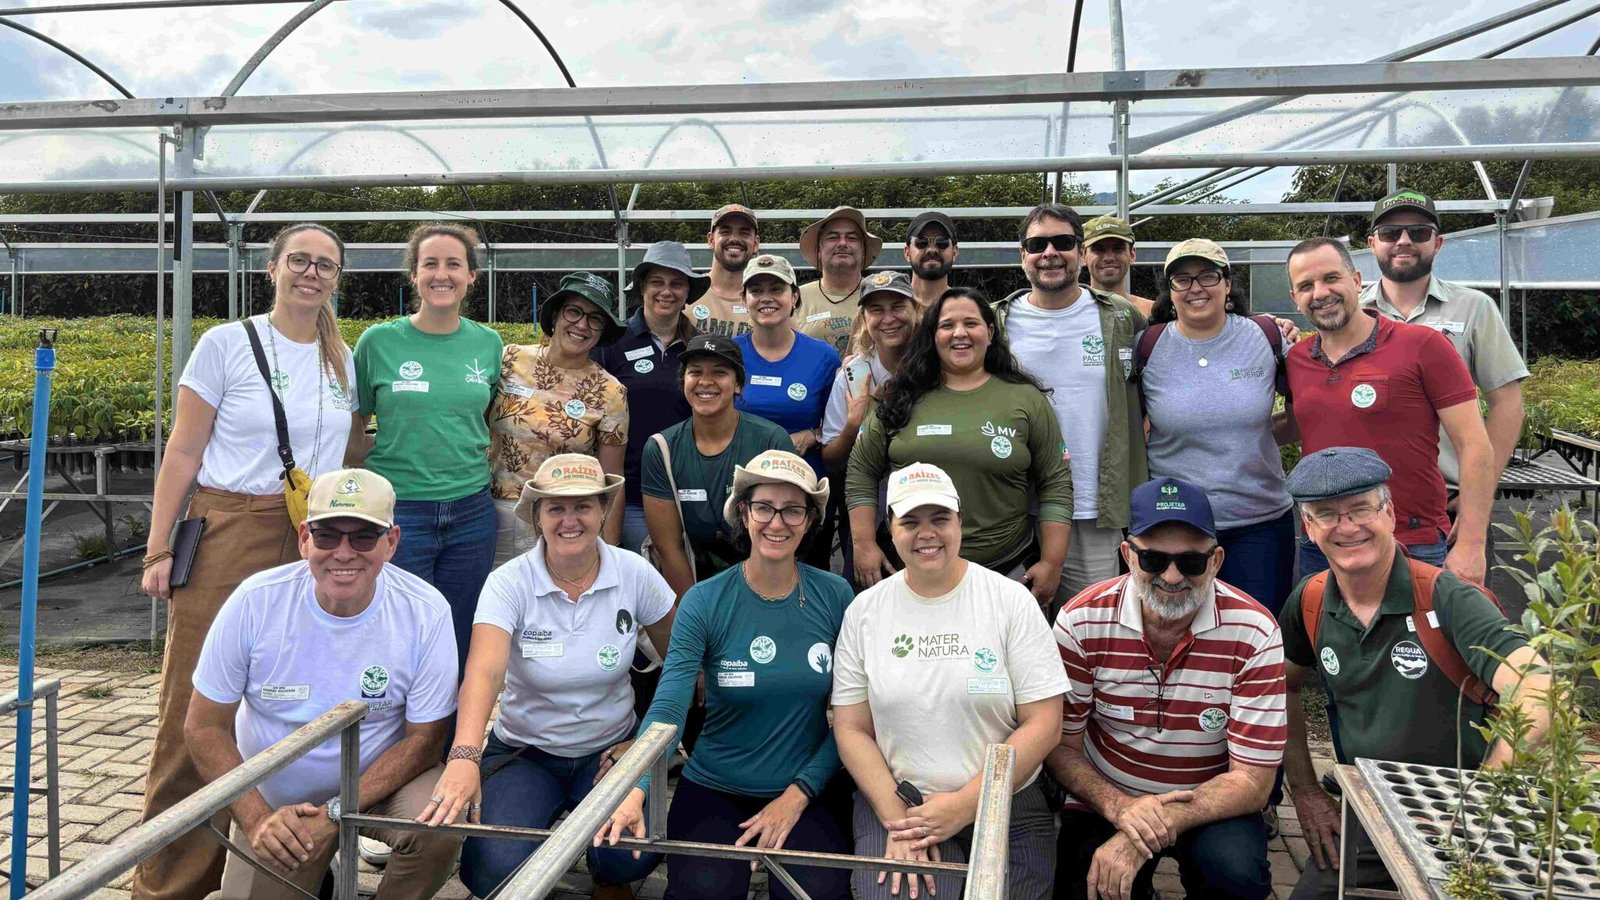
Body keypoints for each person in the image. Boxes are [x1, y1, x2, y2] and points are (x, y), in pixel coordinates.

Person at [134, 222, 360, 900]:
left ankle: (277, 866)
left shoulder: (339, 358)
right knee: (197, 711)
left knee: (297, 698)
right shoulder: (227, 345)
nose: (311, 273)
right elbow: (182, 448)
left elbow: (345, 455)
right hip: (230, 523)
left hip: (313, 537)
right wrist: (159, 544)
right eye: (300, 260)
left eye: (325, 265)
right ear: (272, 269)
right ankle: (168, 884)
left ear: (337, 278)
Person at [1277, 448, 1550, 900]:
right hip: (1370, 814)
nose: (1346, 527)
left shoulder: (1446, 598)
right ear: (1308, 528)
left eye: (1360, 508)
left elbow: (1537, 690)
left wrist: (1481, 802)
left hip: (1469, 820)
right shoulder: (1311, 600)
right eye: (1325, 514)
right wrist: (1305, 791)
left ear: (1389, 512)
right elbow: (1277, 686)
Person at [184, 468, 461, 899]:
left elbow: (425, 739)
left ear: (392, 542)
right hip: (275, 804)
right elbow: (203, 727)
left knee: (439, 824)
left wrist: (335, 813)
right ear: (303, 539)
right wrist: (257, 820)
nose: (344, 553)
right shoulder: (255, 600)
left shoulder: (426, 611)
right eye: (328, 535)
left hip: (375, 787)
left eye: (364, 537)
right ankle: (317, 876)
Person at [597, 451, 855, 900]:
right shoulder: (705, 600)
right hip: (715, 784)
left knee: (815, 892)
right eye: (764, 508)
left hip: (806, 786)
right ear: (743, 513)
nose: (778, 523)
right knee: (703, 892)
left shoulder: (835, 595)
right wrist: (636, 786)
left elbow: (854, 717)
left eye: (793, 509)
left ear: (810, 519)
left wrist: (797, 795)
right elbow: (670, 705)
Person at [420, 454, 674, 899]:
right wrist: (463, 755)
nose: (570, 519)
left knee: (631, 854)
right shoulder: (509, 581)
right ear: (537, 516)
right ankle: (542, 854)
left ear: (604, 510)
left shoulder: (633, 572)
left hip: (610, 748)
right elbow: (484, 671)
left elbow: (680, 662)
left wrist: (643, 744)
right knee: (490, 871)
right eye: (556, 508)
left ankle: (606, 872)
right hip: (526, 749)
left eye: (583, 506)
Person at [834, 463, 1067, 900]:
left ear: (960, 520)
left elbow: (1044, 723)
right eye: (910, 521)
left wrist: (964, 806)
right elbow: (851, 728)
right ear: (890, 527)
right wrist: (899, 820)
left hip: (1006, 800)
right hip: (900, 798)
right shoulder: (864, 611)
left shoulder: (1010, 600)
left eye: (940, 519)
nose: (927, 534)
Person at [1050, 477, 1286, 900]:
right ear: (1127, 555)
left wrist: (1154, 821)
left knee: (1237, 875)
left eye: (1191, 563)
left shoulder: (1256, 631)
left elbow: (1253, 780)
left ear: (1216, 561)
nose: (1172, 576)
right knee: (1087, 884)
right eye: (1154, 560)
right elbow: (1060, 748)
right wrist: (1121, 808)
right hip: (1108, 797)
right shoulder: (1080, 620)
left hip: (1210, 801)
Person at [1284, 237, 1494, 584]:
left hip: (1410, 541)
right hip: (1323, 542)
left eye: (1331, 278)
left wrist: (1472, 543)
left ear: (1356, 280)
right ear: (1295, 298)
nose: (1320, 293)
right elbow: (1296, 425)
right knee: (1324, 636)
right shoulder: (1297, 359)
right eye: (1306, 286)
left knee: (1421, 639)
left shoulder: (1423, 346)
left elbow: (1475, 445)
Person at [846, 287, 1073, 607]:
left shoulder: (1026, 399)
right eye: (947, 325)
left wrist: (1052, 562)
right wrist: (864, 543)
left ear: (990, 332)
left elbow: (1056, 481)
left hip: (1007, 571)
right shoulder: (900, 395)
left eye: (971, 323)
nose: (959, 333)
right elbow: (860, 470)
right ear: (932, 335)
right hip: (911, 570)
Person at [352, 223, 503, 676]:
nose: (442, 274)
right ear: (414, 275)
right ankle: (401, 741)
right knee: (399, 631)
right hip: (401, 512)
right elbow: (353, 429)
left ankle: (453, 742)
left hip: (472, 513)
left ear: (472, 275)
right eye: (430, 264)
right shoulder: (378, 342)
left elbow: (491, 421)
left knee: (460, 633)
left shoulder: (488, 343)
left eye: (454, 264)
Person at [995, 203, 1147, 609]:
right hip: (1011, 504)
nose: (1049, 253)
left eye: (1062, 242)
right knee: (1011, 628)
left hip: (1092, 506)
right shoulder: (997, 322)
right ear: (1021, 254)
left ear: (1080, 252)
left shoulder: (1121, 318)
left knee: (1087, 626)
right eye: (1037, 243)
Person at [1359, 189, 1528, 550]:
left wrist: (1476, 494)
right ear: (1373, 243)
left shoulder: (1473, 308)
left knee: (1452, 605)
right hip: (1358, 506)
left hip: (1449, 504)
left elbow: (1507, 403)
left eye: (1419, 233)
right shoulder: (1351, 312)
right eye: (1391, 233)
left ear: (1438, 243)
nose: (1404, 242)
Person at [1139, 239, 1297, 622]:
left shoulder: (1265, 336)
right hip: (1175, 524)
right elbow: (1134, 430)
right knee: (1177, 630)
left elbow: (1301, 414)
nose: (1196, 288)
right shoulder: (1149, 346)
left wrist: (1248, 439)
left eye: (1208, 276)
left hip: (1258, 520)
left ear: (1227, 285)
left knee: (1257, 627)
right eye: (1182, 279)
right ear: (1170, 292)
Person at [641, 334, 794, 598]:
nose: (705, 381)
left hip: (763, 580)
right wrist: (697, 613)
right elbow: (668, 547)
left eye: (720, 372)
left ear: (738, 385)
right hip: (692, 579)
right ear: (684, 381)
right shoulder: (661, 449)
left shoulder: (770, 440)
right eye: (695, 372)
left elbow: (781, 530)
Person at [489, 271, 628, 561]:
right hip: (494, 512)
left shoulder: (610, 392)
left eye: (595, 318)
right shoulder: (509, 359)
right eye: (574, 312)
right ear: (555, 316)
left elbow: (612, 479)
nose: (582, 324)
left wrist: (611, 553)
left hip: (565, 519)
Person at [592, 242, 705, 553]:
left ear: (687, 293)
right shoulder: (612, 342)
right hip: (630, 494)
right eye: (657, 282)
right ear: (641, 287)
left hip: (687, 491)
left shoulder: (699, 346)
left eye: (676, 283)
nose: (666, 291)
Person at [733, 253, 841, 566]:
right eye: (756, 290)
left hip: (803, 494)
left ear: (794, 297)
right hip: (749, 497)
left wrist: (813, 433)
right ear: (744, 299)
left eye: (776, 290)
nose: (766, 298)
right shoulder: (730, 355)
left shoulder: (823, 356)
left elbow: (837, 426)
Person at [821, 272, 921, 585]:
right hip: (871, 519)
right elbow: (831, 460)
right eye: (876, 310)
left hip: (929, 508)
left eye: (898, 306)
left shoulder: (936, 365)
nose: (888, 318)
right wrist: (853, 424)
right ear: (864, 317)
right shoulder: (854, 374)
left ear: (915, 310)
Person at [796, 205, 884, 355]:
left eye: (851, 238)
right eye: (833, 237)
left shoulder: (881, 296)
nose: (843, 243)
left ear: (863, 250)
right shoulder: (796, 298)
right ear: (819, 251)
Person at [694, 203, 760, 338]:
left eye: (744, 233)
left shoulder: (767, 300)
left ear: (755, 243)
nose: (734, 239)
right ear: (711, 239)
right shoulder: (689, 292)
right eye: (725, 232)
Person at [1081, 215, 1154, 317]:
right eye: (1099, 249)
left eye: (1118, 249)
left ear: (1132, 255)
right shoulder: (1069, 313)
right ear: (1083, 255)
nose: (1109, 258)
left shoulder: (1151, 312)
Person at [903, 210, 958, 307]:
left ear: (954, 252)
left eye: (941, 242)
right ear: (907, 253)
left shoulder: (969, 309)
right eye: (921, 242)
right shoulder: (892, 306)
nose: (932, 250)